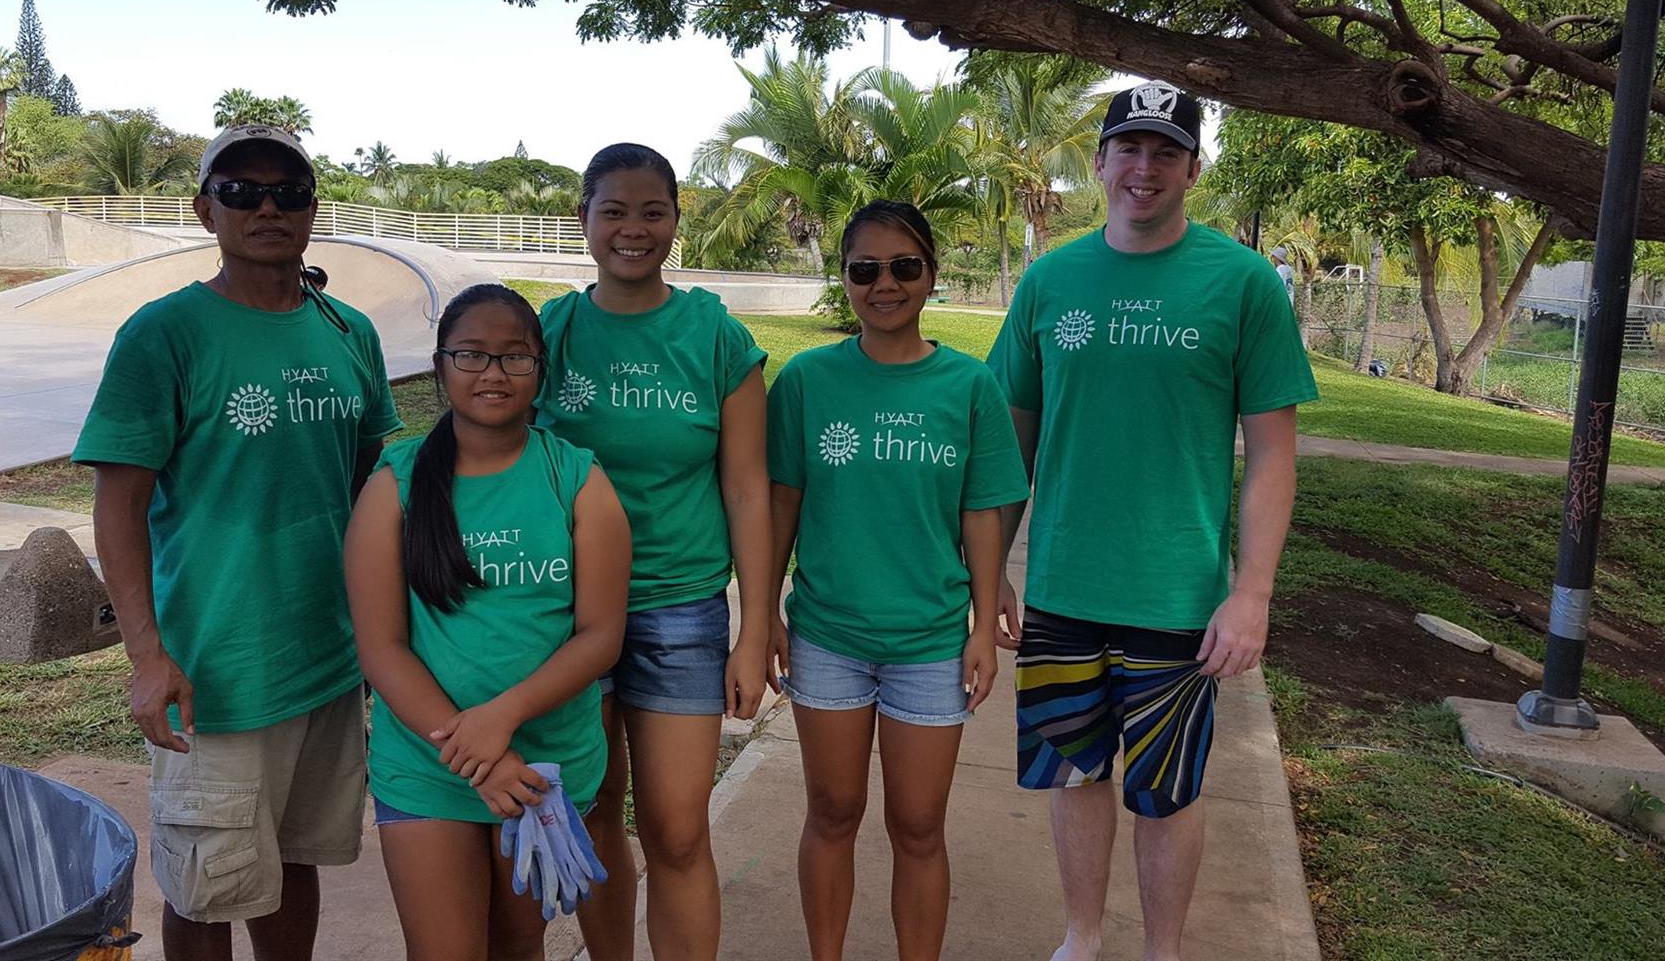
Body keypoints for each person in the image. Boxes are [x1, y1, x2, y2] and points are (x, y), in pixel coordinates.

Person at [987, 81, 1317, 961]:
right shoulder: (1049, 281)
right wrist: (991, 575)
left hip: (1178, 594)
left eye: (1166, 151)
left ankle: (1162, 950)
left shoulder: (1243, 283)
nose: (1145, 167)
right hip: (1063, 584)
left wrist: (1252, 591)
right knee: (1073, 769)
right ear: (1099, 163)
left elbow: (1272, 455)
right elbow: (1010, 444)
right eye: (1129, 148)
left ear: (1193, 170)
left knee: (1167, 789)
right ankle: (1082, 937)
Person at [76, 124, 401, 961]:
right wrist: (147, 656)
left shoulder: (348, 332)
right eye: (241, 191)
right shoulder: (164, 335)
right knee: (206, 886)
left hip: (327, 663)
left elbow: (371, 488)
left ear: (312, 209)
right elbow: (119, 505)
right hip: (214, 671)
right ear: (204, 209)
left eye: (288, 192)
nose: (267, 208)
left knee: (295, 861)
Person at [764, 201, 1027, 961]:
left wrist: (981, 628)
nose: (885, 284)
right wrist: (765, 613)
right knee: (833, 811)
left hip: (932, 641)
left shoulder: (968, 386)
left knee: (918, 825)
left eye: (905, 267)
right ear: (844, 277)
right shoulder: (808, 380)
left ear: (932, 275)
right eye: (865, 269)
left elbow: (982, 511)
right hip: (828, 636)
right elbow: (781, 504)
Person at [533, 143, 773, 960]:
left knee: (676, 828)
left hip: (680, 608)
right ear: (584, 219)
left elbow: (747, 488)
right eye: (614, 211)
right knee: (596, 807)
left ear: (675, 220)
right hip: (567, 611)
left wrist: (753, 628)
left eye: (652, 212)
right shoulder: (550, 333)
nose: (633, 229)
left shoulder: (715, 336)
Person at [344, 283, 631, 961]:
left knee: (518, 948)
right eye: (471, 354)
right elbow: (382, 648)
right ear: (440, 367)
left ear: (541, 369)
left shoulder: (577, 479)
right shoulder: (395, 484)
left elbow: (600, 635)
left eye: (514, 356)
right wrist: (482, 754)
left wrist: (504, 718)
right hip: (428, 765)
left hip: (544, 766)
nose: (493, 373)